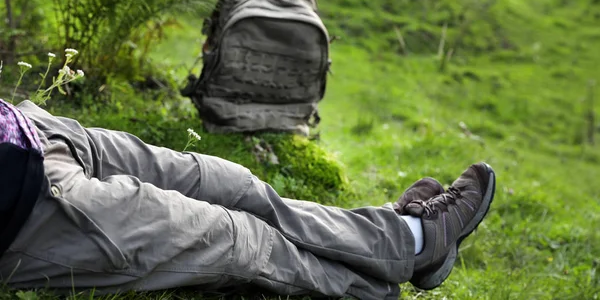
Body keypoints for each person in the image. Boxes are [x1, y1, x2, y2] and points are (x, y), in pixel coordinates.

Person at [0, 99, 496, 300]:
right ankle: (401, 251)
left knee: (236, 184)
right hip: (28, 208)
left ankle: (400, 243)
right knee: (238, 239)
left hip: (33, 132)